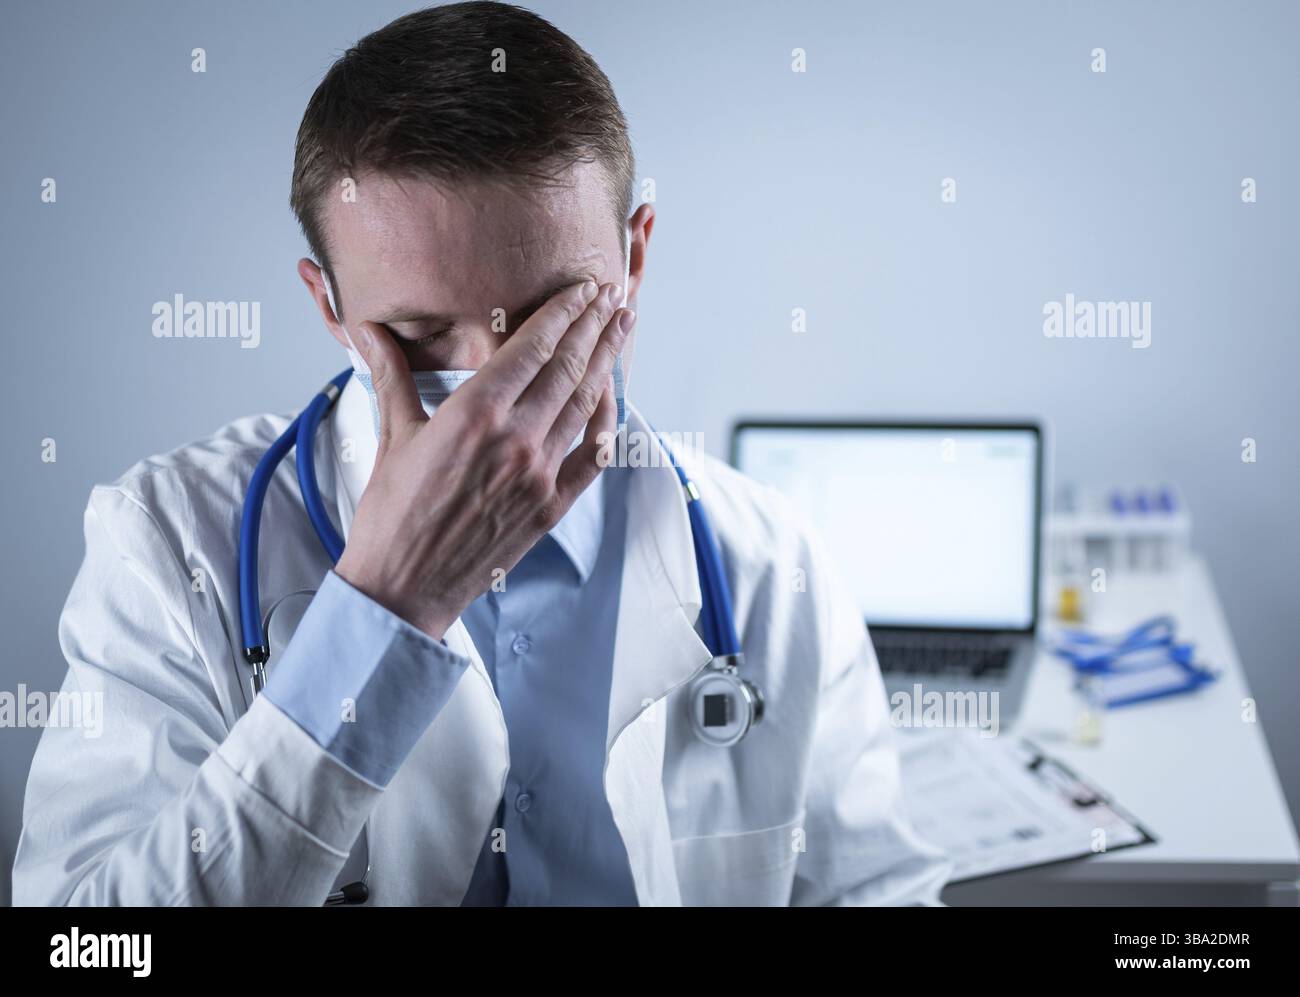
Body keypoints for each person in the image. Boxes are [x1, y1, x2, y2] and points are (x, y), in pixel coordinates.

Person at [13, 2, 949, 906]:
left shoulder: (771, 564)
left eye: (550, 320)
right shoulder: (171, 546)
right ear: (329, 306)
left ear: (634, 259)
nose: (491, 396)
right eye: (419, 334)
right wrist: (384, 608)